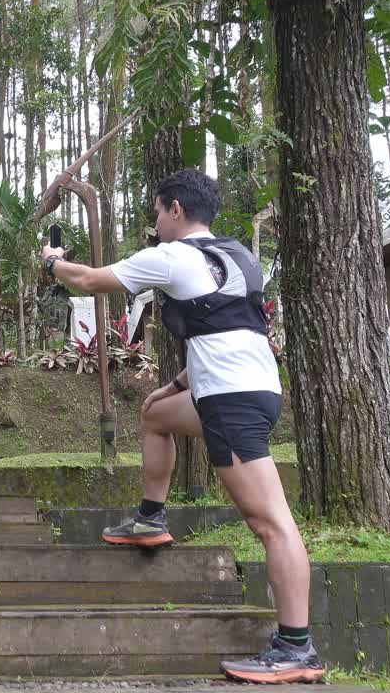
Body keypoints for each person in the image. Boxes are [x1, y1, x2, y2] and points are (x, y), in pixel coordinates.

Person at [40, 169, 324, 684]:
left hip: (232, 402)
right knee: (155, 414)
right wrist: (173, 386)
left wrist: (55, 261)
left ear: (174, 209)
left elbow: (89, 281)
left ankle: (296, 648)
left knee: (271, 523)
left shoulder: (173, 256)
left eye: (155, 211)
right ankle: (150, 517)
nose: (154, 221)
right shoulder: (238, 256)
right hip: (248, 387)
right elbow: (225, 329)